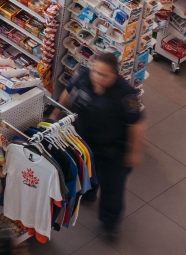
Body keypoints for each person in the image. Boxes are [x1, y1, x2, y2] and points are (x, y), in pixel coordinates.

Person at [52, 53, 144, 240]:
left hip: (113, 151)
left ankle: (109, 223)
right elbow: (68, 95)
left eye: (104, 75)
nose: (97, 77)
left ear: (114, 75)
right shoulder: (84, 77)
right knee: (86, 173)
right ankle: (89, 193)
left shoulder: (126, 95)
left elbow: (137, 125)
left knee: (112, 188)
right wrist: (55, 115)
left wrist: (134, 153)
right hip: (84, 143)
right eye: (95, 72)